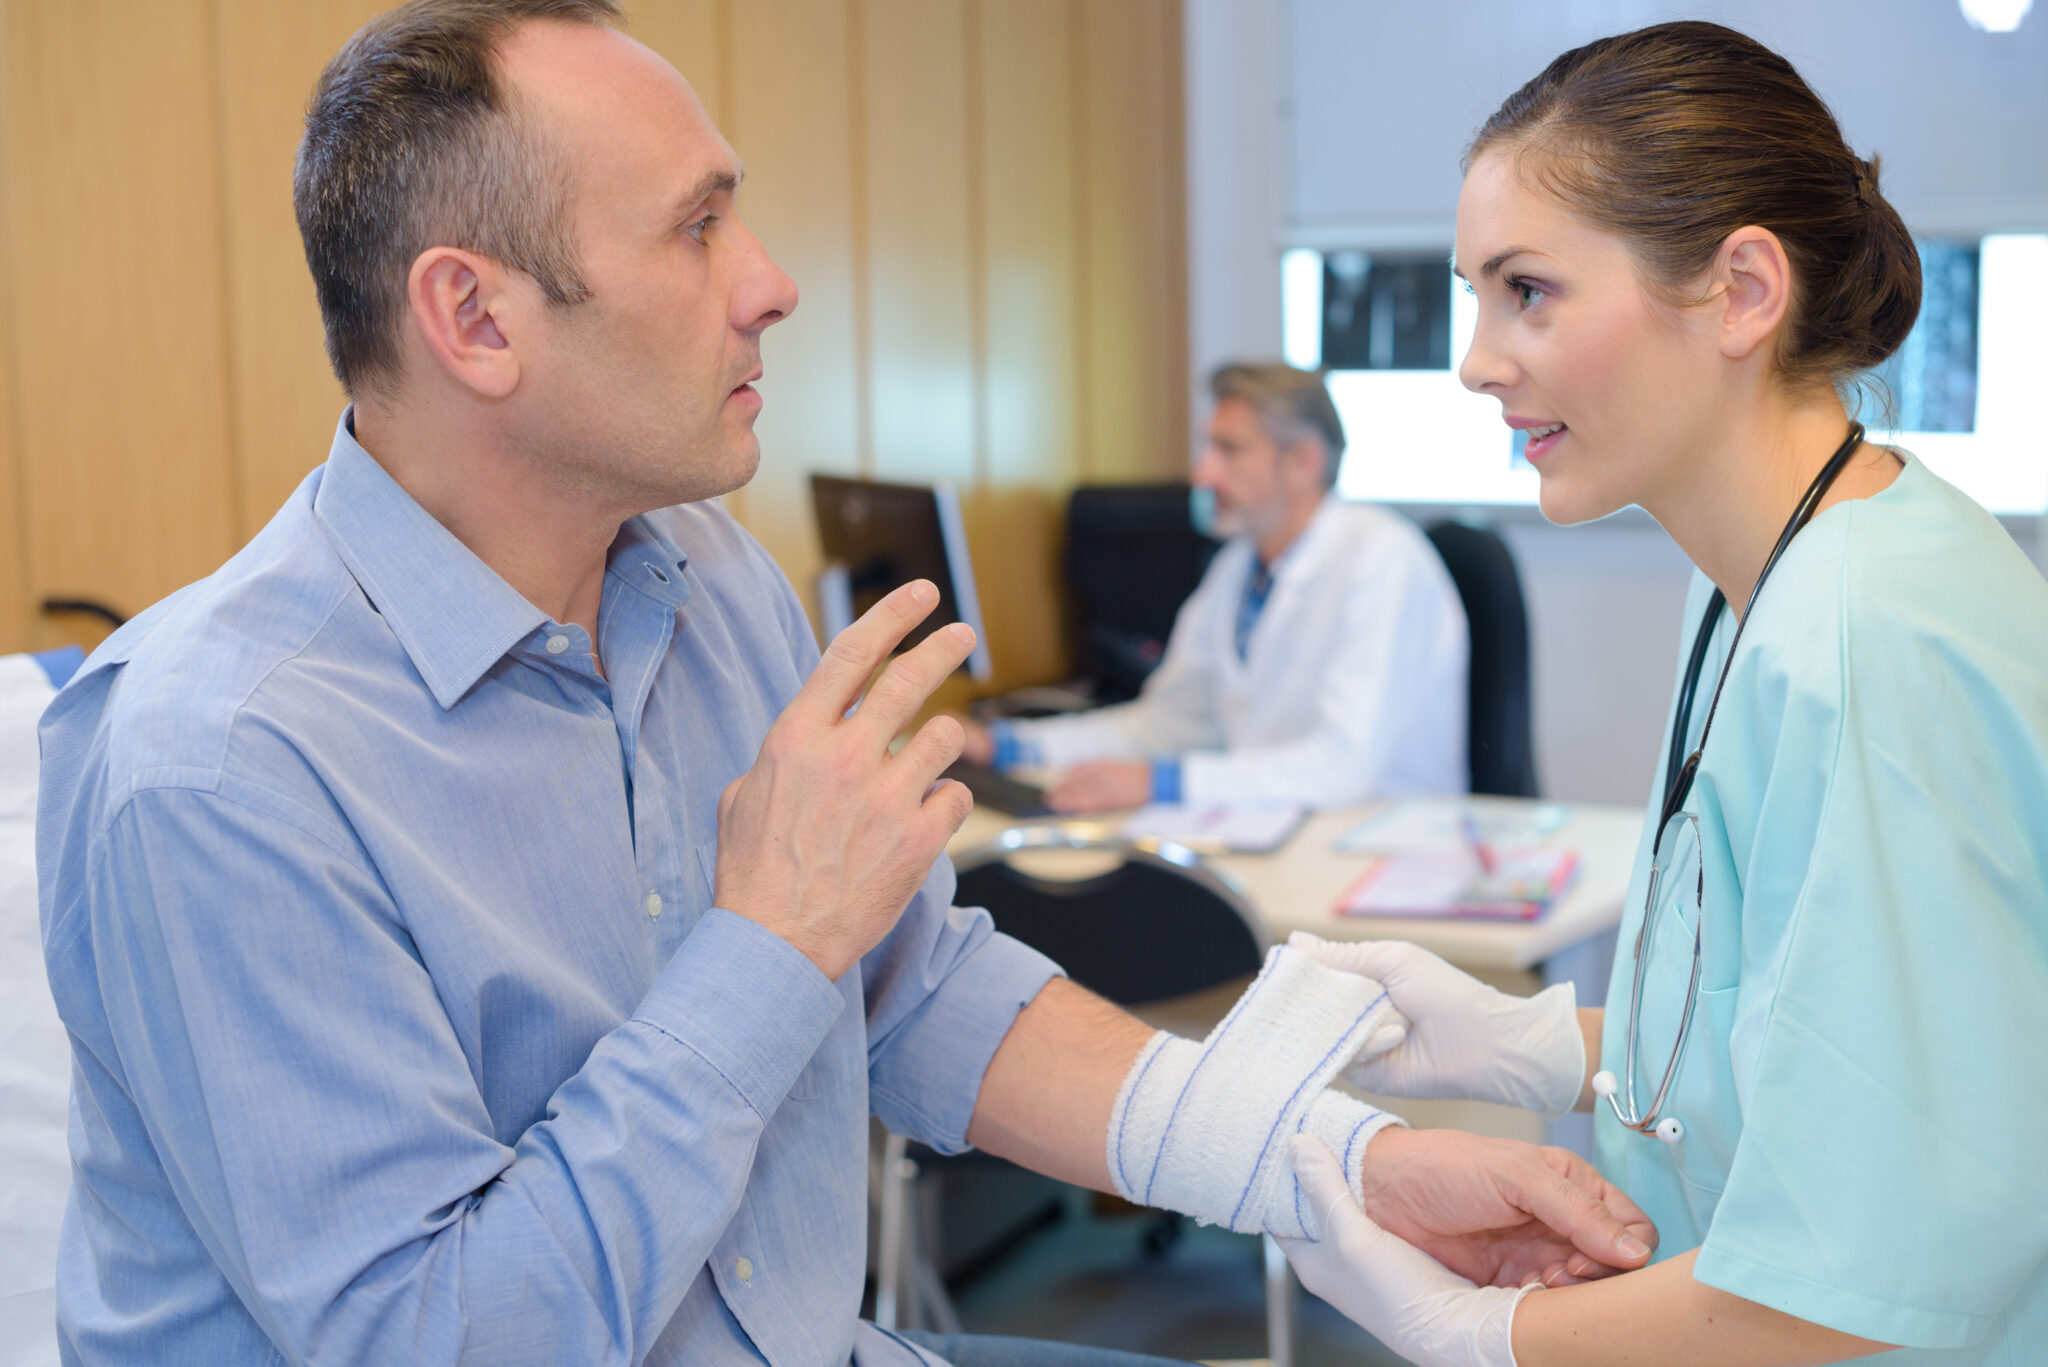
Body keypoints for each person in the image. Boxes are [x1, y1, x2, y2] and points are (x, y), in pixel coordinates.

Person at [32, 4, 1656, 1365]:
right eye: (695, 225)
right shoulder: (221, 765)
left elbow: (912, 989)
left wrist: (1335, 1161)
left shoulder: (705, 576)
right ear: (473, 316)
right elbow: (444, 1337)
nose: (769, 281)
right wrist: (767, 941)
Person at [1274, 19, 2048, 1367]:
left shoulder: (1868, 646)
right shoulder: (1762, 573)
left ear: (1743, 290)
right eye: (1474, 294)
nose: (1475, 358)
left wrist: (1491, 1329)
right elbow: (1806, 1030)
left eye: (1528, 291)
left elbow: (1845, 1285)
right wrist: (1539, 1041)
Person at [957, 363, 1468, 814]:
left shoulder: (1383, 558)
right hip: (1277, 832)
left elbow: (1343, 767)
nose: (1204, 473)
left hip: (1382, 846)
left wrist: (1160, 783)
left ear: (1303, 463)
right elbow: (1166, 726)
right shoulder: (1237, 568)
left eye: (1230, 450)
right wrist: (1004, 747)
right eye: (1209, 447)